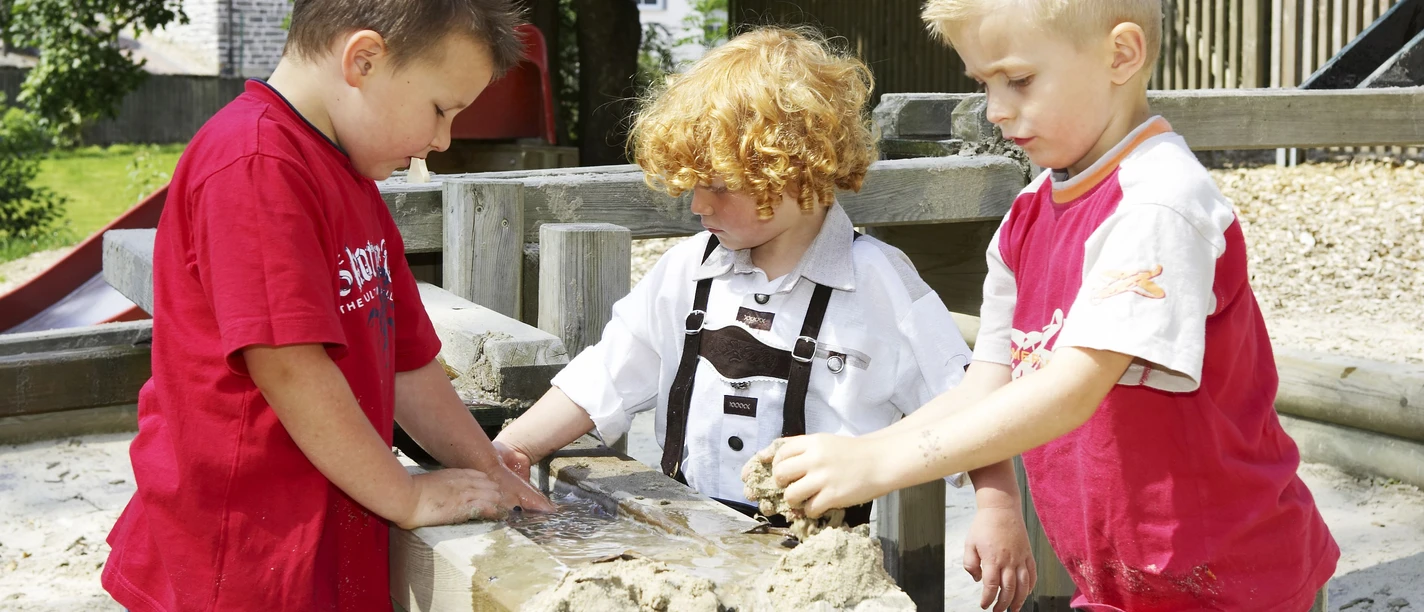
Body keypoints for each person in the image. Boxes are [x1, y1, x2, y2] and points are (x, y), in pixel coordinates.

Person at [759, 2, 1340, 611]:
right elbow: (988, 383)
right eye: (984, 84)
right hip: (1121, 579)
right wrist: (872, 452)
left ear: (1121, 55)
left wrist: (880, 461)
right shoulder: (1030, 212)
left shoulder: (1159, 203)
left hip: (1232, 577)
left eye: (1020, 80)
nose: (996, 109)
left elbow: (1071, 389)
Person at [492, 26, 1038, 612]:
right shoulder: (685, 274)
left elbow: (967, 405)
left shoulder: (878, 283)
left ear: (796, 169)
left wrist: (998, 509)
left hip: (815, 570)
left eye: (720, 185)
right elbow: (604, 373)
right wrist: (515, 446)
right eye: (692, 185)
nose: (699, 204)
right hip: (685, 546)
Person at [102, 1, 552, 610]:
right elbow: (288, 363)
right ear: (363, 59)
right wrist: (404, 495)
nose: (441, 141)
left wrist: (487, 465)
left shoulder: (353, 178)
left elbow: (409, 362)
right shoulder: (255, 164)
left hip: (327, 527)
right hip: (240, 551)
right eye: (441, 110)